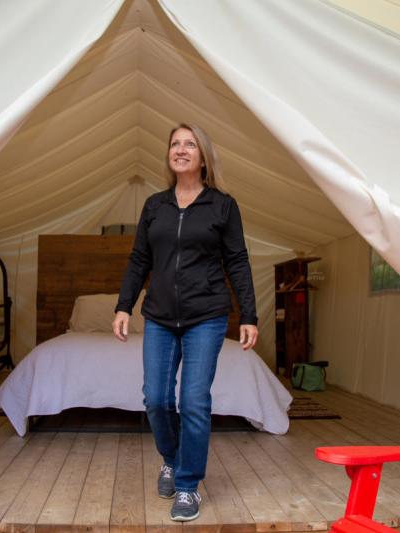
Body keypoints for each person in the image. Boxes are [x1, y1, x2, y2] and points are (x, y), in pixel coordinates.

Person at [113, 123, 258, 522]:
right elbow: (139, 259)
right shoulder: (155, 206)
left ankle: (188, 485)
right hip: (159, 316)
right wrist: (123, 305)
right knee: (156, 399)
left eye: (189, 144)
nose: (180, 150)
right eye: (174, 144)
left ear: (203, 155)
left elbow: (238, 262)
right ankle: (171, 459)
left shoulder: (222, 206)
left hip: (206, 316)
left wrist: (249, 313)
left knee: (194, 401)